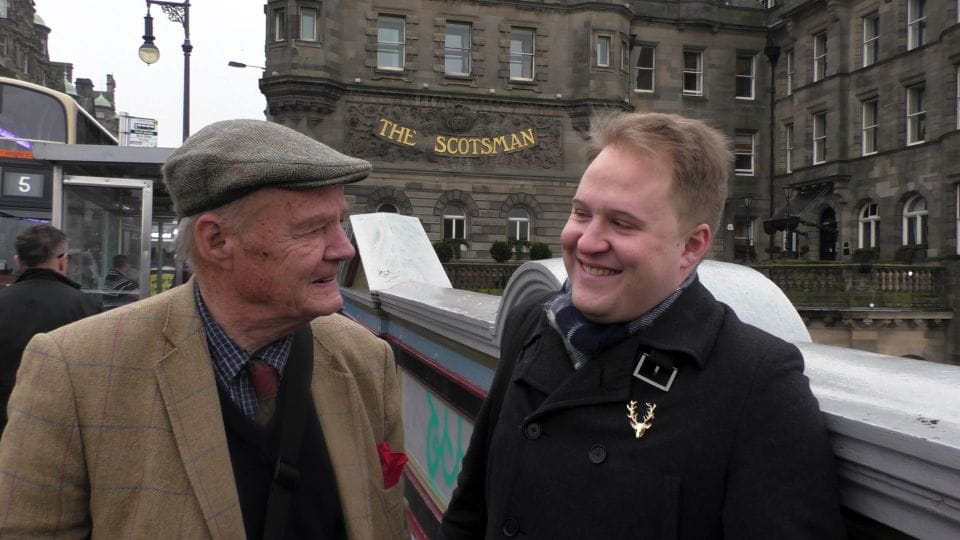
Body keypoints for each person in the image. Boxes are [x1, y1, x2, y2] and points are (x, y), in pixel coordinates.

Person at [440, 112, 845, 539]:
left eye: (622, 223)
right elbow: (469, 512)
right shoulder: (534, 321)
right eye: (581, 213)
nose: (588, 242)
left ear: (691, 246)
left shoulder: (755, 382)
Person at [0, 120, 407, 538]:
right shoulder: (75, 370)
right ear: (216, 241)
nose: (344, 249)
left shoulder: (367, 360)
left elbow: (387, 521)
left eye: (340, 223)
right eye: (313, 229)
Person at [0, 225, 101, 435]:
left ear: (18, 261)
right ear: (62, 260)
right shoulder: (86, 306)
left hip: (6, 422)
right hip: (62, 424)